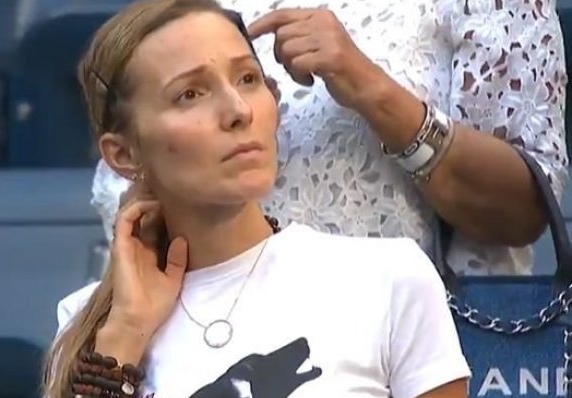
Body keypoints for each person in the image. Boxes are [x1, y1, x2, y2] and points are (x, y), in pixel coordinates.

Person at [11, 1, 478, 398]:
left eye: (248, 79)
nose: (238, 110)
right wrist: (124, 334)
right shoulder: (92, 322)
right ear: (124, 154)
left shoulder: (386, 280)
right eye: (190, 94)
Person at [91, 0, 569, 275]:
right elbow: (135, 162)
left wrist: (370, 87)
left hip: (405, 360)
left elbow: (522, 212)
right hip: (211, 338)